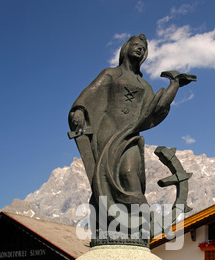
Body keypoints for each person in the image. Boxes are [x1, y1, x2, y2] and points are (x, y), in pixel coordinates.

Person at [69, 34, 195, 239]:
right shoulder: (110, 74)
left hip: (130, 135)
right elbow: (90, 92)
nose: (140, 49)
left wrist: (174, 85)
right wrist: (80, 110)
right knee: (104, 181)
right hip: (107, 134)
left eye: (144, 48)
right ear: (126, 48)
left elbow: (157, 108)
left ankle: (141, 223)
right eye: (136, 45)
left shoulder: (145, 86)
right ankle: (110, 226)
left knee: (129, 173)